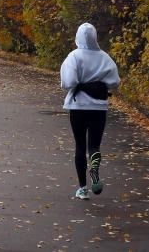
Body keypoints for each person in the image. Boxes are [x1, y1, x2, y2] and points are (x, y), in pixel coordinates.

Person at [60, 22, 121, 200]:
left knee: (79, 145)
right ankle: (94, 169)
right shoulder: (105, 58)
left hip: (78, 106)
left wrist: (80, 83)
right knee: (93, 145)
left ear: (78, 37)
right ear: (95, 37)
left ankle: (83, 188)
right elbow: (114, 82)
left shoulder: (74, 57)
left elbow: (68, 82)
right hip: (98, 108)